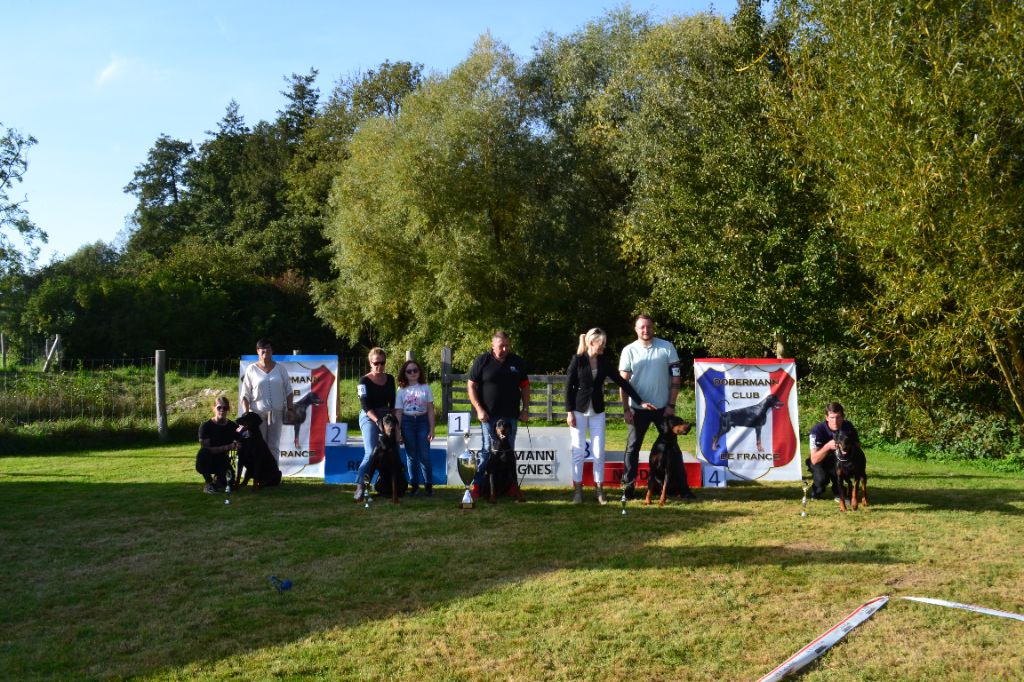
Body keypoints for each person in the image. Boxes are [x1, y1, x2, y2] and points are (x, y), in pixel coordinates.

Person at [566, 328, 656, 505]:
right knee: (578, 453)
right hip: (578, 410)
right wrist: (569, 412)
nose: (604, 347)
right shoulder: (577, 360)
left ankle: (599, 490)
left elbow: (622, 382)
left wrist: (640, 401)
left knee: (599, 453)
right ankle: (578, 490)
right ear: (592, 343)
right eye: (602, 344)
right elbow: (568, 387)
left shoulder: (605, 362)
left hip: (598, 412)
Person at [618, 315, 695, 500]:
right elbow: (623, 382)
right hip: (637, 409)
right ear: (636, 329)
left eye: (649, 327)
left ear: (653, 327)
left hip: (664, 410)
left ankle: (683, 488)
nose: (646, 330)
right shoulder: (628, 350)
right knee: (632, 448)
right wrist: (626, 409)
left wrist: (671, 405)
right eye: (642, 327)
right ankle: (628, 489)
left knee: (674, 450)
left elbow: (676, 378)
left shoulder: (667, 347)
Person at [467, 330, 530, 491]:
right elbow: (471, 386)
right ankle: (478, 485)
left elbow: (525, 387)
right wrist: (479, 409)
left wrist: (525, 409)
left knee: (509, 450)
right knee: (488, 450)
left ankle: (510, 487)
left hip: (511, 416)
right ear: (492, 345)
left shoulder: (517, 361)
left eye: (507, 346)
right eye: (501, 346)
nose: (505, 349)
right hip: (488, 416)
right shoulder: (482, 361)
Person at [241, 338, 293, 465]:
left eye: (268, 348)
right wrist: (247, 415)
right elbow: (245, 395)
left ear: (272, 350)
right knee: (259, 444)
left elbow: (289, 391)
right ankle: (259, 474)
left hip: (277, 412)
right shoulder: (251, 369)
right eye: (262, 349)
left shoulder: (280, 369)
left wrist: (290, 409)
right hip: (257, 414)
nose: (265, 351)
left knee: (274, 445)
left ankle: (273, 474)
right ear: (257, 351)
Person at [354, 347, 396, 500]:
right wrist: (377, 420)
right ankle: (360, 486)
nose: (379, 366)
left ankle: (388, 484)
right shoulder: (363, 381)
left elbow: (393, 403)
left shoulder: (390, 379)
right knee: (371, 451)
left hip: (386, 416)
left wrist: (393, 423)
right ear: (370, 363)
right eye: (376, 363)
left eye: (382, 363)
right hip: (369, 415)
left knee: (391, 451)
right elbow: (365, 405)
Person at [396, 359, 436, 497]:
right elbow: (398, 412)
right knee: (411, 457)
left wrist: (432, 428)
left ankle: (428, 485)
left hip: (423, 421)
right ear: (404, 373)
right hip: (407, 422)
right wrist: (398, 431)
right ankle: (414, 485)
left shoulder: (426, 387)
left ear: (419, 372)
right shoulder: (401, 390)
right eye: (409, 371)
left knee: (424, 456)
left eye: (415, 370)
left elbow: (431, 409)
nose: (412, 373)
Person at [807, 402, 858, 501]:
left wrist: (846, 446)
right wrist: (828, 446)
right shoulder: (817, 430)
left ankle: (839, 492)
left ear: (843, 417)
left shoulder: (848, 427)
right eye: (832, 417)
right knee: (822, 479)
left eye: (838, 417)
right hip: (820, 460)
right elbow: (814, 460)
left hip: (839, 460)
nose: (835, 421)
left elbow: (857, 447)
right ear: (826, 417)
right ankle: (817, 490)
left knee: (843, 469)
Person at [196, 396, 239, 493]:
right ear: (214, 408)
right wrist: (228, 447)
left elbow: (242, 440)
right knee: (203, 452)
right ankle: (209, 483)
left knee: (229, 482)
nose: (222, 410)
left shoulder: (233, 426)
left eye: (225, 408)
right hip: (207, 461)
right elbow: (207, 449)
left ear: (228, 409)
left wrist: (238, 445)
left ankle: (218, 480)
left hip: (223, 461)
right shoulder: (205, 426)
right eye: (219, 407)